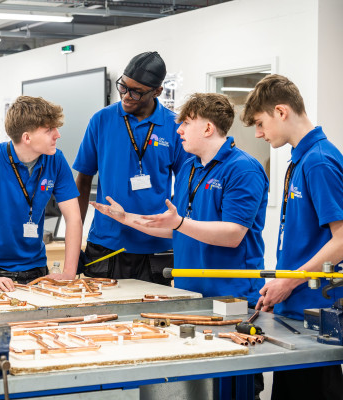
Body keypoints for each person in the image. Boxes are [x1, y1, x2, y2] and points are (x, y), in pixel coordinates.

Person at [91, 92, 268, 305]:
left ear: (208, 128)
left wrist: (179, 223)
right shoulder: (189, 167)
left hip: (232, 296)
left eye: (186, 123)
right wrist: (125, 217)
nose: (179, 130)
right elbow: (176, 227)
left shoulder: (243, 169)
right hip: (189, 293)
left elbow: (232, 235)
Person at [242, 74, 343, 400]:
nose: (258, 133)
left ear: (281, 111)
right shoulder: (300, 160)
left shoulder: (319, 162)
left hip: (315, 315)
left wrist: (289, 282)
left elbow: (341, 240)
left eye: (260, 123)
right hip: (294, 309)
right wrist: (281, 286)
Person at [73, 51, 188, 283]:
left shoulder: (174, 127)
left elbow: (186, 185)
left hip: (156, 248)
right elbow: (83, 181)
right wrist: (73, 241)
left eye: (136, 91)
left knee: (154, 318)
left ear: (157, 91)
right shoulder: (101, 120)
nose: (126, 96)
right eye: (123, 87)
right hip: (107, 244)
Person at [0, 95, 82, 292]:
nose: (57, 135)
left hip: (36, 270)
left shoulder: (56, 160)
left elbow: (74, 218)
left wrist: (69, 272)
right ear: (27, 137)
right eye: (49, 130)